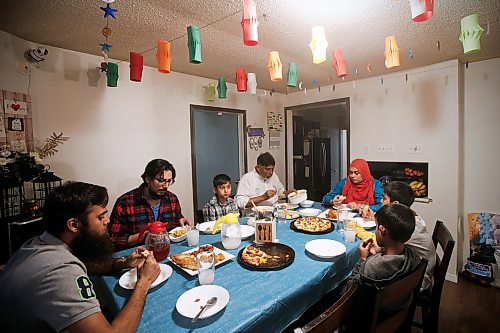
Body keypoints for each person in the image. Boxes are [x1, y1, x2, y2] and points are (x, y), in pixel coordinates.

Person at [0, 181, 161, 333]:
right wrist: (144, 282)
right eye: (100, 217)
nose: (107, 221)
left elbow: (85, 264)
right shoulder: (61, 271)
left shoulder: (41, 242)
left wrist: (122, 262)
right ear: (74, 225)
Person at [363, 181, 436, 292]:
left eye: (384, 199)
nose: (381, 202)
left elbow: (385, 243)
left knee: (369, 267)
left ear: (395, 203)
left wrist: (363, 260)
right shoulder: (409, 217)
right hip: (414, 268)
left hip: (415, 280)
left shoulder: (410, 229)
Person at [108, 159, 193, 250]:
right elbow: (114, 239)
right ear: (147, 179)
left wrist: (182, 221)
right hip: (138, 255)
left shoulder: (172, 199)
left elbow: (176, 226)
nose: (166, 186)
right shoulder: (125, 202)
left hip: (167, 251)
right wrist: (143, 235)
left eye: (169, 181)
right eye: (161, 181)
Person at [345, 203, 420, 290]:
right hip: (401, 301)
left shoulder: (372, 266)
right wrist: (381, 250)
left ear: (382, 230)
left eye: (376, 227)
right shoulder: (413, 254)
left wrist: (363, 259)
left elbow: (351, 287)